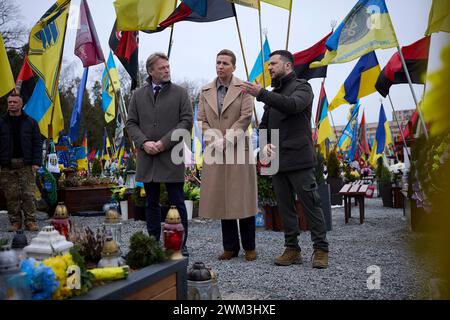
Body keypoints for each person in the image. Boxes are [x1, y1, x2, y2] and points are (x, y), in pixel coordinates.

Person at [240, 50, 329, 268]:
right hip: (277, 159)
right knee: (285, 206)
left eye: (273, 64)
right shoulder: (273, 94)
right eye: (269, 64)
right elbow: (264, 126)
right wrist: (264, 144)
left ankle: (320, 249)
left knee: (311, 204)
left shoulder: (303, 87)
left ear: (288, 66)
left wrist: (261, 93)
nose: (269, 68)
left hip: (299, 158)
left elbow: (293, 105)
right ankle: (292, 249)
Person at [126, 52, 193, 256]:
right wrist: (144, 143)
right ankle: (153, 241)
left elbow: (186, 122)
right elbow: (131, 123)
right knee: (151, 203)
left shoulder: (181, 93)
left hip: (171, 155)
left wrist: (163, 143)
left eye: (167, 66)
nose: (166, 70)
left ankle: (180, 243)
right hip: (147, 157)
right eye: (162, 67)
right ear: (150, 71)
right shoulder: (138, 95)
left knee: (177, 202)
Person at [197, 49, 258, 261]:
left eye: (224, 63)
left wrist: (228, 139)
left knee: (243, 198)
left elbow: (246, 117)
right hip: (216, 151)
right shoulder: (205, 91)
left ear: (234, 66)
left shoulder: (244, 89)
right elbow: (201, 120)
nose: (220, 66)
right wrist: (214, 140)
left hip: (238, 149)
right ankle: (230, 247)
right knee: (223, 199)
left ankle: (250, 246)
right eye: (218, 62)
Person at [0, 92, 42, 232]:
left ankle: (30, 221)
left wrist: (36, 163)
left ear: (21, 104)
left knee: (28, 194)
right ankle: (15, 222)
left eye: (15, 102)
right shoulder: (1, 122)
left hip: (26, 164)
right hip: (7, 165)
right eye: (10, 102)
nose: (12, 104)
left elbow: (37, 143)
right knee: (11, 195)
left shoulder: (31, 122)